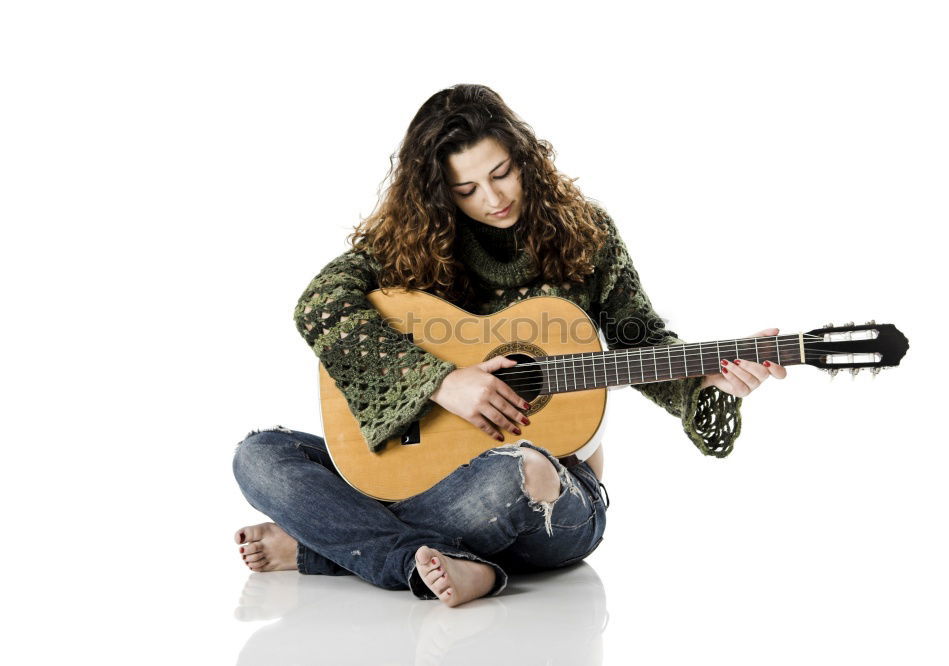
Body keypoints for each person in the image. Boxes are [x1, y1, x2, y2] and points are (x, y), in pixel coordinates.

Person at [232, 83, 787, 608]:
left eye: (502, 173)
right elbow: (320, 304)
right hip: (420, 478)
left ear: (526, 158)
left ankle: (327, 544)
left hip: (550, 496)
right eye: (466, 189)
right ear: (436, 193)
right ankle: (430, 561)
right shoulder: (407, 243)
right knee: (260, 456)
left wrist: (702, 383)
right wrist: (441, 382)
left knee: (518, 472)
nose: (493, 198)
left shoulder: (587, 235)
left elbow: (639, 340)